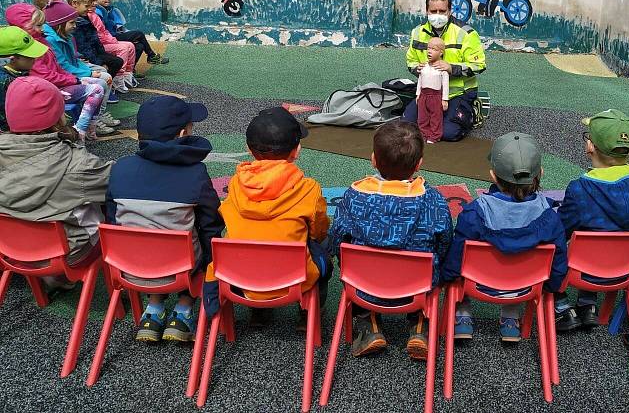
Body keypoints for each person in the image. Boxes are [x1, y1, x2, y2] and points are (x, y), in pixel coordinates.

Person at [329, 120, 453, 359]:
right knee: (433, 260)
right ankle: (420, 325)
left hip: (362, 285)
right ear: (419, 164)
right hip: (417, 286)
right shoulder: (433, 200)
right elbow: (445, 240)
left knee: (350, 256)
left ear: (374, 159)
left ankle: (368, 324)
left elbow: (337, 239)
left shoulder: (354, 196)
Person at [106, 96, 224, 342]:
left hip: (128, 267)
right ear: (183, 133)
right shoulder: (194, 172)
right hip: (180, 268)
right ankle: (183, 309)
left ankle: (154, 309)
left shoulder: (120, 168)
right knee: (201, 238)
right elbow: (211, 221)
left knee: (148, 233)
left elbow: (111, 218)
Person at [441, 132, 567, 342]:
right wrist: (551, 286)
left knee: (461, 263)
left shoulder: (475, 213)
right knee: (520, 262)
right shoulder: (549, 217)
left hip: (477, 283)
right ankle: (510, 317)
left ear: (492, 175)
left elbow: (456, 256)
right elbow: (559, 259)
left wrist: (443, 277)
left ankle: (462, 313)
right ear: (541, 173)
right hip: (526, 287)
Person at [218, 107, 331, 327]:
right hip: (294, 277)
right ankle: (308, 314)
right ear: (296, 150)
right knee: (325, 244)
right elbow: (318, 231)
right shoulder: (308, 188)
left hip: (241, 275)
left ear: (249, 150)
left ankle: (258, 311)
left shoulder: (235, 185)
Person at [554, 110, 629, 331]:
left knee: (555, 241)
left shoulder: (581, 188)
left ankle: (561, 305)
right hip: (624, 270)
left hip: (583, 270)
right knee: (604, 237)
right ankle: (588, 305)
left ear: (590, 147)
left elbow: (561, 229)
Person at [0, 77, 111, 267]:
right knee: (107, 206)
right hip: (66, 254)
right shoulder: (80, 164)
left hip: (9, 249)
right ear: (58, 115)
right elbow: (118, 183)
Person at [5, 3, 109, 139]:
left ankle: (90, 126)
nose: (43, 29)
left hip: (58, 84)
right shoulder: (30, 49)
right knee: (97, 89)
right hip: (48, 89)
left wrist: (74, 78)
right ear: (23, 26)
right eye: (38, 25)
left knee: (100, 83)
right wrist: (75, 79)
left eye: (42, 24)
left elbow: (58, 68)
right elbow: (44, 75)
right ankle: (81, 131)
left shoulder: (42, 41)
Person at [403, 0, 486, 142]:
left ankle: (473, 110)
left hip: (458, 92)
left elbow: (479, 65)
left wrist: (451, 68)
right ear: (427, 11)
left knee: (448, 133)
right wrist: (417, 68)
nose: (437, 15)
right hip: (429, 93)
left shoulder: (466, 33)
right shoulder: (417, 32)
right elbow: (410, 61)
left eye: (442, 11)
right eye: (433, 11)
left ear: (449, 11)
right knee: (406, 127)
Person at [41, 0, 120, 129]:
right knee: (101, 81)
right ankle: (93, 119)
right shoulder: (51, 40)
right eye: (72, 22)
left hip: (73, 71)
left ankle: (99, 113)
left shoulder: (66, 35)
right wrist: (89, 73)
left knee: (104, 74)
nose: (75, 26)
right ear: (59, 24)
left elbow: (74, 59)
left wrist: (92, 71)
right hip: (65, 77)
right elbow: (63, 66)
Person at [93, 0, 169, 66]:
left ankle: (131, 71)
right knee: (138, 34)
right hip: (108, 38)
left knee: (139, 46)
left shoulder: (110, 9)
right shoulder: (97, 11)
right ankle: (151, 56)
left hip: (114, 35)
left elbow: (119, 27)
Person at [78, 0, 137, 92]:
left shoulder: (95, 14)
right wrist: (99, 60)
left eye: (95, 0)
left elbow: (101, 32)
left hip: (100, 46)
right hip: (92, 51)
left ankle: (127, 74)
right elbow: (86, 45)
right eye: (92, 1)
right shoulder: (85, 19)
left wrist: (112, 40)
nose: (95, 3)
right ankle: (116, 80)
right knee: (122, 51)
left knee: (132, 45)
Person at [65, 0, 125, 93]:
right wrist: (99, 62)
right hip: (86, 57)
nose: (90, 8)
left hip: (93, 53)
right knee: (109, 67)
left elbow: (95, 40)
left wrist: (102, 57)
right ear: (74, 4)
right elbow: (83, 47)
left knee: (116, 61)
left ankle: (107, 88)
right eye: (87, 6)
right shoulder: (77, 24)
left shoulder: (86, 18)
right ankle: (104, 90)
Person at [0, 26, 48, 131]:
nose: (35, 58)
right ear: (11, 59)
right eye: (30, 56)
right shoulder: (8, 82)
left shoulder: (17, 72)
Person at [415, 37, 449, 143]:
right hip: (423, 95)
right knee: (422, 117)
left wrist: (444, 99)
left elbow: (445, 84)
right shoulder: (423, 66)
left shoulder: (442, 69)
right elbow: (420, 80)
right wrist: (418, 94)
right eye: (428, 48)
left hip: (436, 96)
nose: (429, 51)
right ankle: (423, 134)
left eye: (434, 49)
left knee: (436, 117)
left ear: (441, 53)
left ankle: (435, 135)